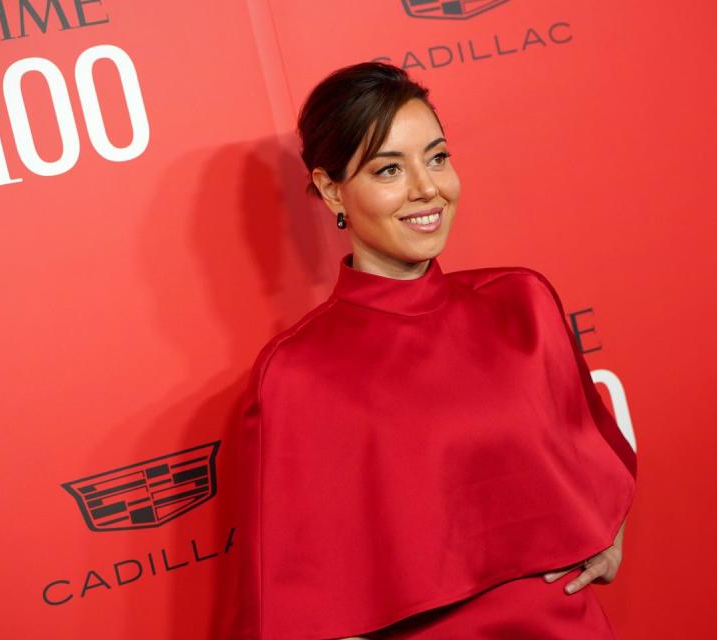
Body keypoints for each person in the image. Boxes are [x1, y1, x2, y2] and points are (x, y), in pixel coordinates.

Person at [226, 61, 637, 639]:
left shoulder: (522, 303)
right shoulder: (297, 371)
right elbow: (289, 597)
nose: (428, 188)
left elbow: (594, 449)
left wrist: (608, 534)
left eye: (437, 157)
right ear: (329, 188)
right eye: (389, 168)